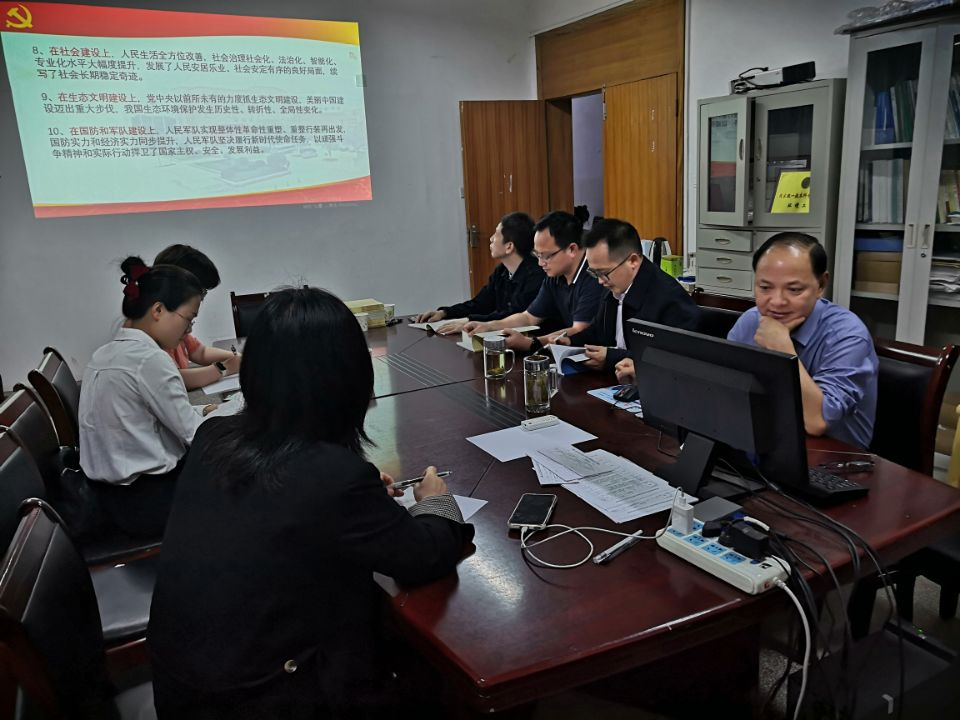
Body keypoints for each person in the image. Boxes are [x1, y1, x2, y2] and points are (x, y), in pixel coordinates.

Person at [148, 287, 474, 719]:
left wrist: (354, 499)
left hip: (186, 690)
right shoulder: (331, 477)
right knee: (441, 679)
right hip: (267, 699)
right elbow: (423, 555)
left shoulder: (214, 437)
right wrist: (435, 502)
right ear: (348, 377)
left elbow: (283, 508)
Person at [80, 257, 210, 537]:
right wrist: (236, 413)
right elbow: (197, 435)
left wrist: (206, 411)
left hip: (110, 498)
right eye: (188, 319)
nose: (189, 330)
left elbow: (163, 418)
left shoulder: (105, 353)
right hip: (147, 502)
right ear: (158, 310)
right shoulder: (149, 359)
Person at [726, 232, 878, 448]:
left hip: (832, 456)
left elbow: (817, 422)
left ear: (821, 284)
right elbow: (727, 391)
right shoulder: (750, 321)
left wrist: (782, 349)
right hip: (765, 440)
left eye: (794, 290)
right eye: (765, 287)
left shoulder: (848, 334)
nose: (777, 302)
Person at [556, 218, 700, 372]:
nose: (600, 281)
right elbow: (599, 330)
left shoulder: (669, 298)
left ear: (633, 261)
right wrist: (571, 341)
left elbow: (674, 358)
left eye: (603, 273)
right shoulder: (615, 285)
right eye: (594, 273)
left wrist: (611, 358)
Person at [463, 210, 604, 352]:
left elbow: (579, 330)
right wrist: (489, 326)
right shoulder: (554, 276)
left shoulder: (594, 275)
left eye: (545, 256)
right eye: (537, 255)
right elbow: (528, 317)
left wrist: (531, 342)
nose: (540, 263)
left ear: (572, 249)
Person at [414, 212, 543, 335]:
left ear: (509, 246)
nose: (491, 239)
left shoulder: (536, 275)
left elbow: (512, 316)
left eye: (496, 234)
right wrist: (444, 313)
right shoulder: (502, 271)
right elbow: (480, 304)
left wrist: (468, 321)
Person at [152, 244, 241, 390]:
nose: (202, 298)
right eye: (202, 291)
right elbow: (176, 379)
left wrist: (237, 358)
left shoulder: (175, 321)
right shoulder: (154, 331)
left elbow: (200, 352)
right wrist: (224, 368)